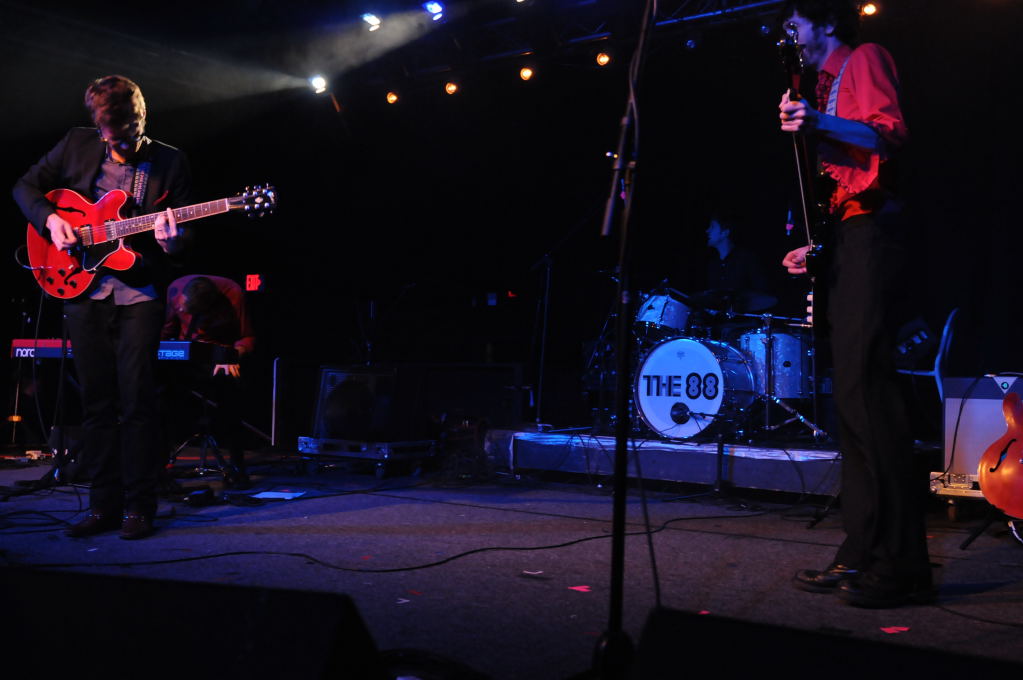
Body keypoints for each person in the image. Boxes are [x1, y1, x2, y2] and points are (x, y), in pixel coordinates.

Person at [777, 1, 932, 607]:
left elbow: (887, 135)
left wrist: (817, 120)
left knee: (869, 392)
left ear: (826, 21)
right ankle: (861, 549)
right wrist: (816, 247)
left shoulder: (864, 58)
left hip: (876, 234)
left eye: (797, 22)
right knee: (850, 399)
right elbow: (842, 183)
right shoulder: (821, 85)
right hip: (849, 236)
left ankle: (902, 565)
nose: (790, 33)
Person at [13, 75, 190, 539]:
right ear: (98, 127)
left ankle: (139, 507)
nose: (119, 146)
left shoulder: (169, 161)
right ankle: (101, 505)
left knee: (137, 402)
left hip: (139, 295)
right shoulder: (76, 143)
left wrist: (172, 243)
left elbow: (182, 239)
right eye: (111, 139)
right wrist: (51, 221)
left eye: (127, 135)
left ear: (141, 117)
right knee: (97, 404)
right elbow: (24, 188)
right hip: (81, 289)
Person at [162, 274, 255, 488]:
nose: (181, 310)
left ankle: (237, 466)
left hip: (220, 353)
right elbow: (167, 330)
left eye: (188, 310)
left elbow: (246, 337)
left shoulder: (232, 293)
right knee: (158, 392)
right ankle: (160, 467)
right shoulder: (175, 288)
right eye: (182, 306)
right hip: (186, 354)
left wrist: (231, 357)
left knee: (230, 392)